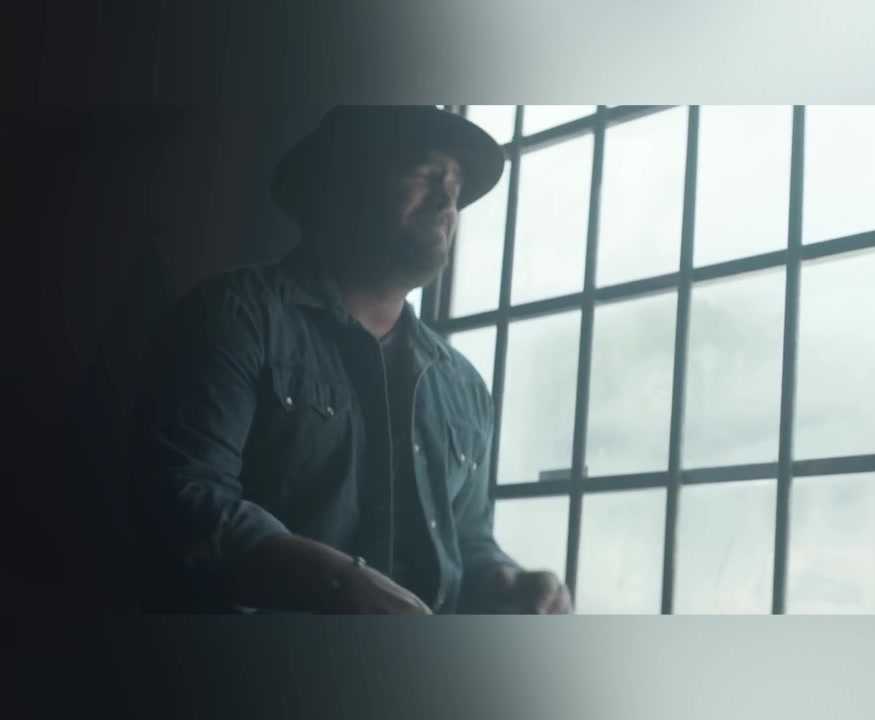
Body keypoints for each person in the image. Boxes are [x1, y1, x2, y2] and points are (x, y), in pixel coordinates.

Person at [129, 106, 572, 614]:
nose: (448, 202)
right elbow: (183, 497)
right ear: (339, 186)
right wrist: (338, 583)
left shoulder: (463, 386)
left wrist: (509, 582)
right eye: (427, 174)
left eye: (455, 187)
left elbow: (467, 540)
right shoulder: (237, 316)